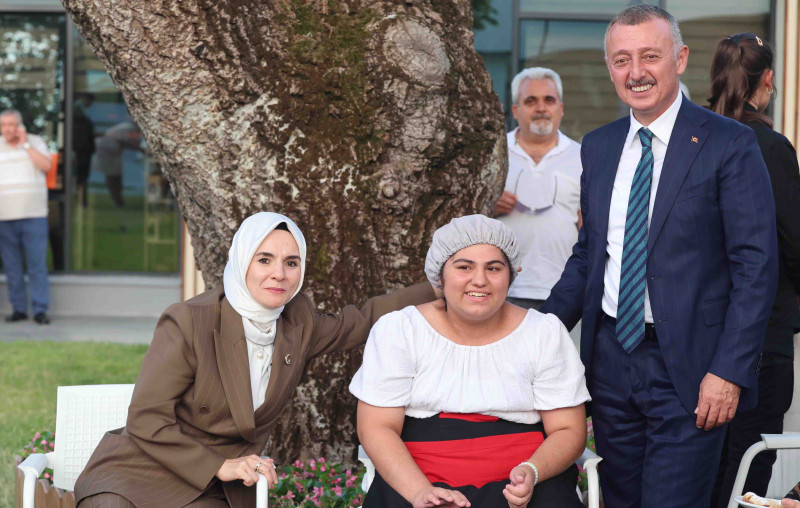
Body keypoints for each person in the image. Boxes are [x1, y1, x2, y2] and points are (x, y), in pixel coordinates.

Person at [540, 5, 778, 508]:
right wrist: (532, 334)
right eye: (621, 59)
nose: (636, 72)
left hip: (694, 370)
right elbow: (590, 256)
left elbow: (756, 267)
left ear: (680, 58)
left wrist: (729, 370)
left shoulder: (728, 142)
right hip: (610, 364)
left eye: (650, 56)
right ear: (609, 67)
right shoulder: (599, 147)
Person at [74, 212, 435, 508]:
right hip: (140, 472)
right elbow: (146, 419)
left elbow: (361, 320)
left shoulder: (297, 323)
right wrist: (219, 464)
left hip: (213, 489)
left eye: (291, 262)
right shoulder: (190, 321)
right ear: (242, 261)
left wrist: (446, 286)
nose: (279, 273)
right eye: (265, 260)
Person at [351, 215, 590, 508]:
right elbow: (377, 427)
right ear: (440, 276)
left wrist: (532, 471)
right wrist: (420, 492)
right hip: (415, 476)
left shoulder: (544, 332)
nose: (480, 280)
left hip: (524, 478)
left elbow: (568, 429)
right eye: (464, 267)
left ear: (511, 274)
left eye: (494, 268)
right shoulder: (400, 330)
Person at [706, 33, 800, 507]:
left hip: (697, 331)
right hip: (760, 332)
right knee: (749, 463)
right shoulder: (767, 146)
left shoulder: (693, 139)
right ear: (768, 80)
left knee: (706, 463)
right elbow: (793, 242)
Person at [493, 67, 582, 311]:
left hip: (564, 290)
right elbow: (463, 216)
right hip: (501, 288)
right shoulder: (492, 153)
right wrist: (487, 205)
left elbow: (591, 228)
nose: (541, 108)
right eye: (530, 101)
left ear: (560, 109)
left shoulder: (583, 157)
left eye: (549, 100)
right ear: (515, 110)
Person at [0, 109, 53, 325]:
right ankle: (19, 309)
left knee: (37, 265)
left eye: (11, 124)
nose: (7, 129)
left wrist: (26, 145)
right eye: (3, 125)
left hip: (34, 215)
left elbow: (47, 166)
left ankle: (40, 310)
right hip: (4, 217)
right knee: (12, 266)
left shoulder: (35, 141)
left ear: (20, 126)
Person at [90, 122, 143, 207]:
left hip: (113, 154)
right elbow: (127, 141)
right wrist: (141, 149)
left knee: (116, 177)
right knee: (112, 177)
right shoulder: (127, 128)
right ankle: (117, 200)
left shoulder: (126, 128)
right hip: (107, 153)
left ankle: (118, 200)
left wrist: (140, 149)